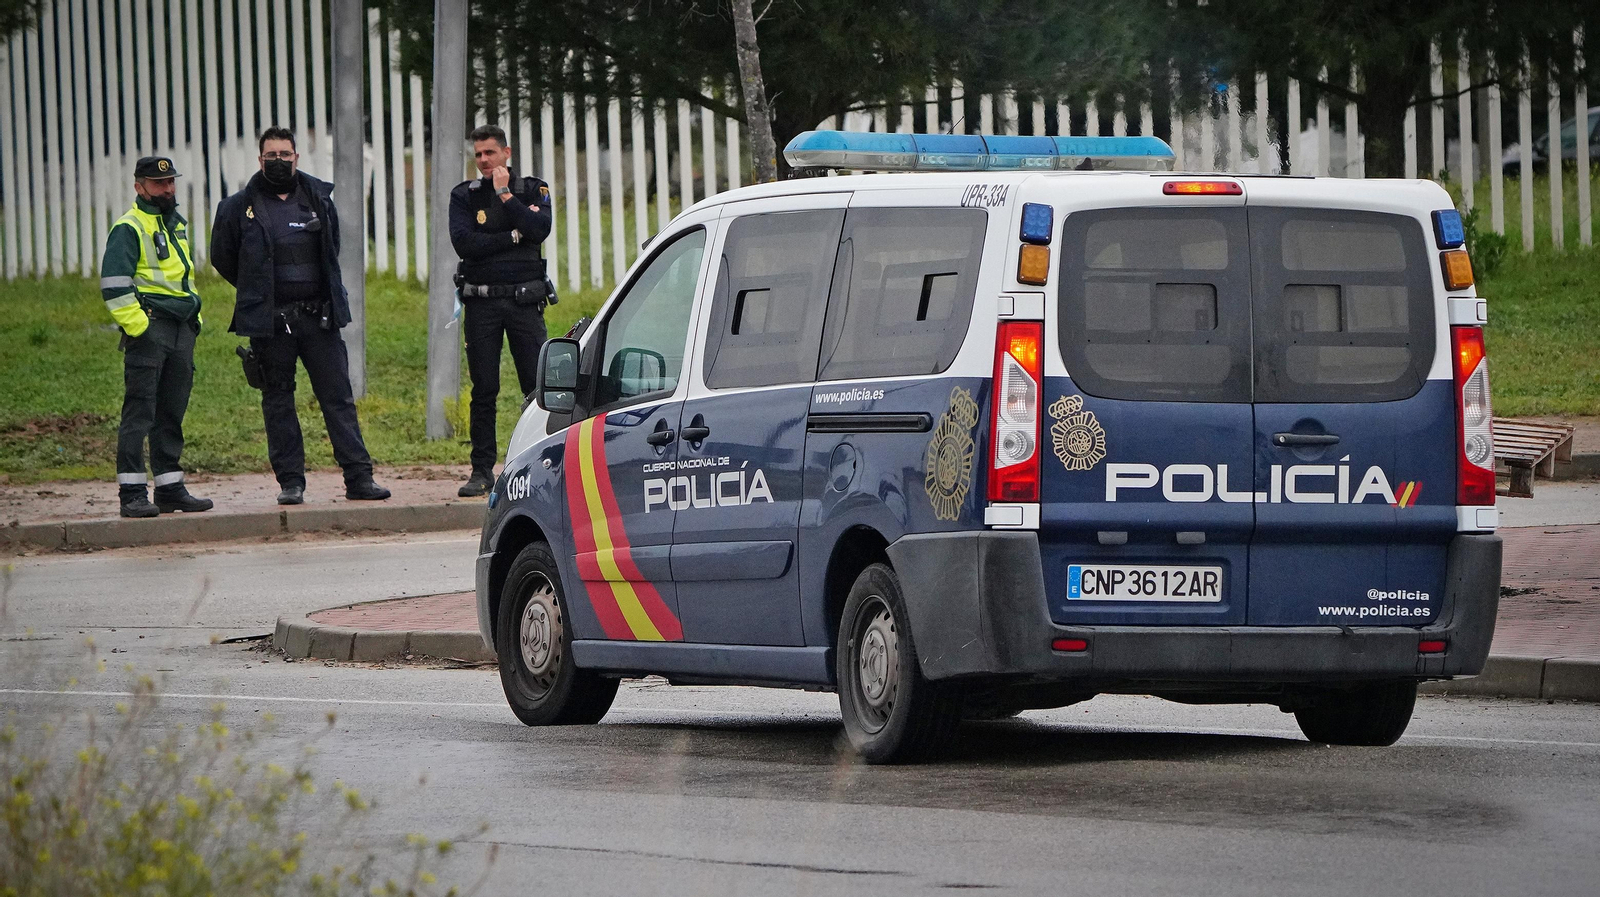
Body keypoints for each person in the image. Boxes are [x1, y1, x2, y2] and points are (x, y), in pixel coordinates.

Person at [209, 126, 390, 505]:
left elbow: (331, 249)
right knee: (278, 402)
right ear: (260, 160)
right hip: (272, 323)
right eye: (271, 156)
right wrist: (258, 289)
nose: (278, 161)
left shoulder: (318, 199)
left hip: (318, 320)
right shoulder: (237, 207)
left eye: (284, 155)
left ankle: (359, 479)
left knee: (338, 399)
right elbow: (223, 258)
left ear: (296, 157)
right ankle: (291, 483)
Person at [100, 156, 213, 518]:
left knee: (171, 411)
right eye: (158, 183)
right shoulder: (129, 227)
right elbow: (114, 285)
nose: (167, 189)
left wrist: (195, 319)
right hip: (151, 327)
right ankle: (132, 493)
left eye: (170, 182)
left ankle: (169, 488)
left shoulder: (173, 224)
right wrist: (140, 328)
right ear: (139, 187)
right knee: (140, 412)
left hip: (181, 328)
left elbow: (183, 279)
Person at [449, 124, 554, 497]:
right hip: (482, 304)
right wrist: (512, 235)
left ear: (506, 153)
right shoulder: (464, 196)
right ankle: (481, 471)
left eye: (489, 152)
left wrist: (506, 195)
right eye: (477, 154)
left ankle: (542, 468)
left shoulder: (532, 189)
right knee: (484, 389)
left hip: (524, 302)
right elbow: (465, 245)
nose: (482, 160)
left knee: (535, 389)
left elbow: (539, 229)